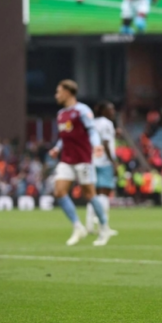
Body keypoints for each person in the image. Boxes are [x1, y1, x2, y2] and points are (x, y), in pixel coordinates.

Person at [49, 80, 116, 246]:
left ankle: (104, 227)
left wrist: (97, 145)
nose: (56, 95)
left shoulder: (82, 111)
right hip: (66, 159)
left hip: (83, 159)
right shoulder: (61, 114)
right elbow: (65, 136)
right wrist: (57, 148)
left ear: (68, 92)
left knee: (90, 195)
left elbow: (91, 130)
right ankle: (78, 226)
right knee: (59, 192)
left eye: (59, 92)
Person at [86, 101, 119, 235]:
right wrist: (113, 162)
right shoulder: (107, 123)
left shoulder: (92, 122)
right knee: (104, 195)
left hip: (91, 161)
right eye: (110, 109)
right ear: (103, 111)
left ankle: (89, 225)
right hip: (104, 162)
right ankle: (103, 226)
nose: (113, 112)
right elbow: (105, 143)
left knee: (94, 194)